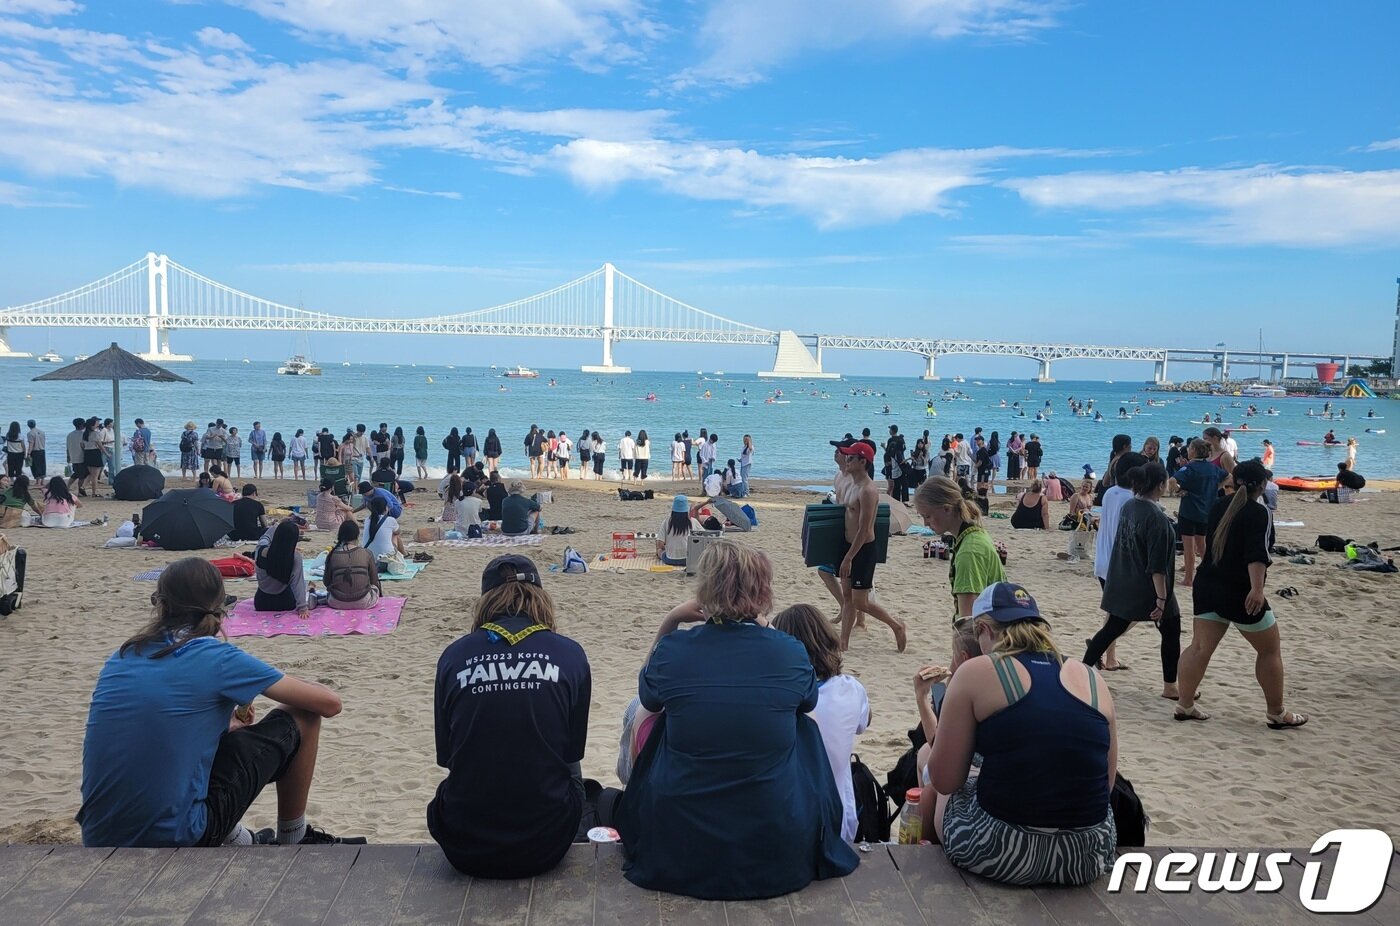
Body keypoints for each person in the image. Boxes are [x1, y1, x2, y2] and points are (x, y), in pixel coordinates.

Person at [613, 540, 859, 899]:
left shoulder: (676, 650)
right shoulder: (787, 651)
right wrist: (768, 630)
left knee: (656, 715)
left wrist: (671, 621)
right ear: (763, 591)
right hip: (776, 847)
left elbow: (648, 694)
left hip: (682, 843)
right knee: (804, 725)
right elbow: (807, 698)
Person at [77, 557, 363, 847]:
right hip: (176, 837)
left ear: (160, 605)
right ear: (220, 608)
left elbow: (164, 727)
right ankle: (294, 837)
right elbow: (329, 704)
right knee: (304, 716)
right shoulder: (216, 657)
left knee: (203, 748)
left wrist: (225, 724)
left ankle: (242, 840)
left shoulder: (124, 655)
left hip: (99, 834)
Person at [914, 583, 1117, 886]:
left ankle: (925, 868)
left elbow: (944, 780)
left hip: (1000, 852)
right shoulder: (1090, 677)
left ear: (983, 628)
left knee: (935, 776)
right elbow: (1107, 783)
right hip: (1087, 855)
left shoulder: (976, 671)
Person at [429, 555, 591, 878]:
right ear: (541, 598)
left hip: (465, 845)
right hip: (547, 844)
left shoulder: (453, 656)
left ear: (486, 600)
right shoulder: (570, 655)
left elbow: (447, 757)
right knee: (571, 771)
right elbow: (571, 753)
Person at [1173, 461, 1306, 728]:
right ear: (1262, 485)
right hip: (1239, 589)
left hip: (1208, 583)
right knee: (1269, 650)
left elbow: (1212, 544)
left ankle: (1185, 704)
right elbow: (1257, 554)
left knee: (1199, 648)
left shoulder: (1219, 505)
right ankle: (1276, 712)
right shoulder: (1260, 512)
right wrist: (1257, 589)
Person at [770, 604, 870, 842]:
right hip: (841, 823)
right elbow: (863, 723)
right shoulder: (850, 689)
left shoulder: (777, 700)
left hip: (792, 825)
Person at [1084, 463, 1183, 700]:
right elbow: (1157, 566)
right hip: (1147, 586)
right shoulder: (1157, 519)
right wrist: (1161, 598)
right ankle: (1170, 686)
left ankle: (1084, 671)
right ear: (1160, 485)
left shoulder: (1130, 505)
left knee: (1112, 628)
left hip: (1123, 580)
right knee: (1171, 631)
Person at [914, 476, 1006, 660]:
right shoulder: (973, 534)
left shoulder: (969, 551)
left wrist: (957, 667)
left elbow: (969, 624)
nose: (925, 523)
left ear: (947, 509)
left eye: (928, 516)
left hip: (987, 646)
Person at [833, 441, 907, 652]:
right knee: (847, 597)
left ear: (863, 461)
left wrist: (849, 557)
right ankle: (843, 643)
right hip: (846, 546)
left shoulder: (868, 490)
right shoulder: (849, 483)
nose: (846, 460)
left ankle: (896, 625)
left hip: (862, 549)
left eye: (851, 457)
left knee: (861, 602)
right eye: (846, 456)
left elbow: (864, 529)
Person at [1171, 439, 1225, 587]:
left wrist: (1179, 491)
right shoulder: (1212, 468)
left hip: (1189, 511)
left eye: (1189, 448)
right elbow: (1229, 477)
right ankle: (1210, 571)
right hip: (1206, 510)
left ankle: (1189, 578)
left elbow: (1171, 481)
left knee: (1189, 546)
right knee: (1202, 544)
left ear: (1193, 450)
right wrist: (1215, 488)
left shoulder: (1190, 468)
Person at [254, 520, 309, 616]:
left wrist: (275, 527)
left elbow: (264, 539)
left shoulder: (260, 551)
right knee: (304, 583)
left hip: (261, 603)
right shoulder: (295, 557)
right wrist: (302, 608)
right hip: (285, 602)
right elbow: (298, 584)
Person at [324, 520, 381, 610]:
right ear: (357, 535)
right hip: (364, 601)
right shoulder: (366, 553)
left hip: (336, 602)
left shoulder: (332, 555)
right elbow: (374, 581)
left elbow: (326, 582)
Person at [655, 495, 698, 566]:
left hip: (670, 560)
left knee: (659, 550)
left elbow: (660, 544)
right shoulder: (693, 521)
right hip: (688, 560)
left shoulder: (667, 521)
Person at [66, 417, 87, 495]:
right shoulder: (83, 434)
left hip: (73, 456)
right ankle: (80, 491)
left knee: (77, 473)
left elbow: (67, 447)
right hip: (81, 456)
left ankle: (67, 486)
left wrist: (68, 456)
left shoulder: (70, 435)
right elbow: (84, 446)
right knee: (82, 475)